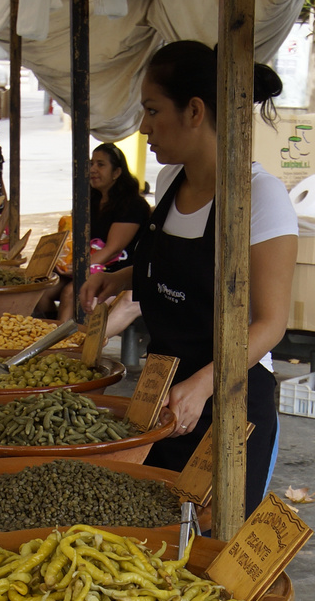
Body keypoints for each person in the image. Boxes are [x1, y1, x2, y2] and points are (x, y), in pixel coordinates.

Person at [80, 40, 298, 515]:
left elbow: (269, 322)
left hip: (228, 403)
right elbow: (180, 268)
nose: (143, 128)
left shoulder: (260, 198)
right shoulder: (168, 183)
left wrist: (204, 384)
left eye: (153, 111)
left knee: (208, 550)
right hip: (161, 398)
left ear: (194, 111)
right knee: (151, 537)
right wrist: (118, 279)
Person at [55, 142, 150, 330]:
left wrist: (78, 269)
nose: (93, 169)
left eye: (100, 164)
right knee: (43, 289)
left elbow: (112, 249)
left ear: (116, 172)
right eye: (91, 164)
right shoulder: (91, 201)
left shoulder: (132, 205)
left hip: (116, 272)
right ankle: (50, 333)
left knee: (70, 292)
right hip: (89, 265)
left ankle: (62, 346)